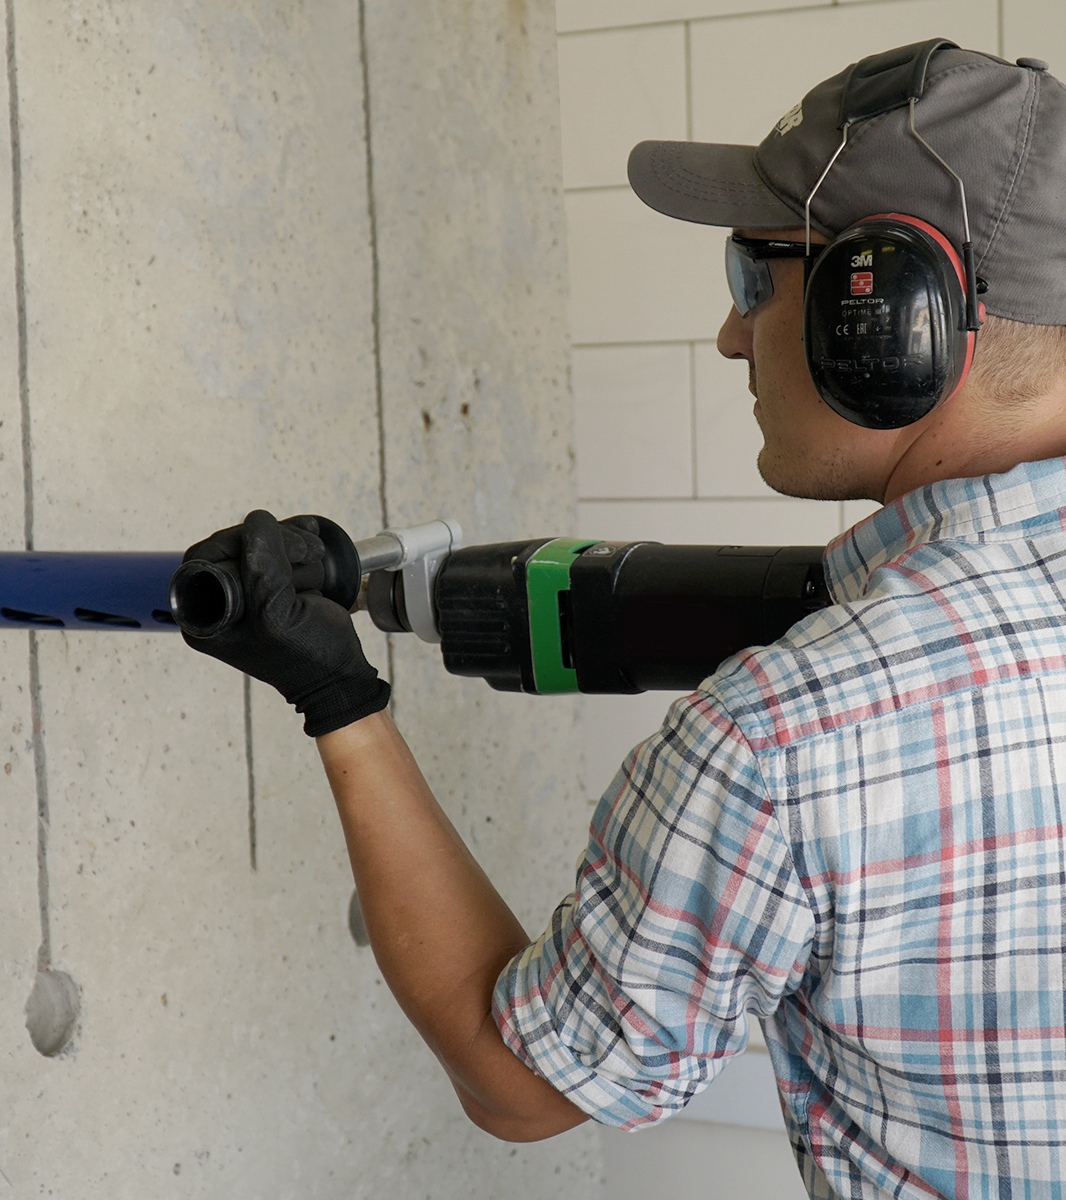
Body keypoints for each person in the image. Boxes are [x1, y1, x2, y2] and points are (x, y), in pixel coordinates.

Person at [182, 40, 1066, 1198]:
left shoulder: (785, 741)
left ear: (889, 308)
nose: (733, 333)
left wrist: (338, 695)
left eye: (755, 272)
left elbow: (517, 1085)